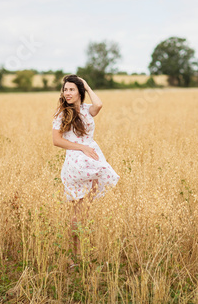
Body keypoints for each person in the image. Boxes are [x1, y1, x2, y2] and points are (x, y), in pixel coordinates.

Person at [52, 74, 119, 261]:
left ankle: (75, 253)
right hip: (79, 160)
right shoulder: (62, 113)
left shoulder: (86, 109)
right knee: (81, 210)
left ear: (80, 92)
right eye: (65, 89)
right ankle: (77, 255)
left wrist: (86, 85)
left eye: (72, 89)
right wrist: (82, 147)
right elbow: (56, 141)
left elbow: (99, 104)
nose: (67, 93)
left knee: (80, 210)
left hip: (87, 157)